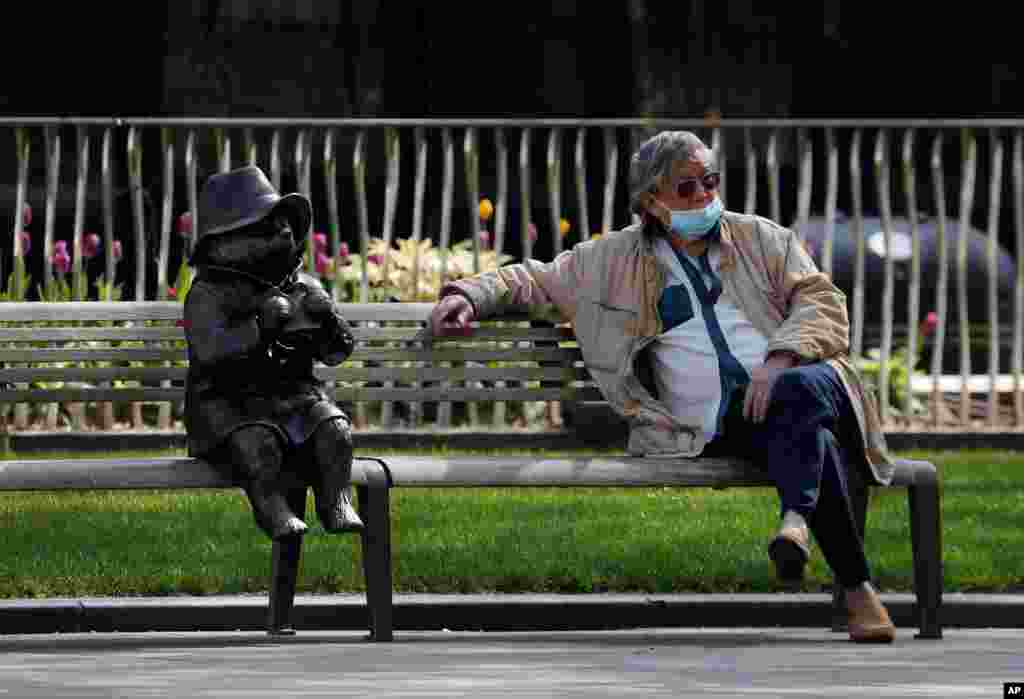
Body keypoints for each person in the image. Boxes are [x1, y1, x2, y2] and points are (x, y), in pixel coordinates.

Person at [430, 130, 897, 643]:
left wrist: (779, 356)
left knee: (800, 389)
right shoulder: (611, 261)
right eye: (686, 188)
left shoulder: (763, 238)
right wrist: (469, 297)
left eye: (710, 183)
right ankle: (843, 575)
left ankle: (804, 527)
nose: (704, 197)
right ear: (651, 201)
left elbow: (821, 301)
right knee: (819, 438)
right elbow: (532, 279)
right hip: (722, 423)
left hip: (797, 386)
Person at [184, 165, 363, 540]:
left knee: (336, 431)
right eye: (266, 227)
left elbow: (336, 352)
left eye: (285, 224)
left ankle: (336, 501)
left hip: (294, 402)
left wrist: (329, 321)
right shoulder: (209, 293)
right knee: (258, 445)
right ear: (226, 240)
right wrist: (258, 328)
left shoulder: (302, 286)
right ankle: (271, 507)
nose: (283, 233)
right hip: (228, 408)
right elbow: (211, 352)